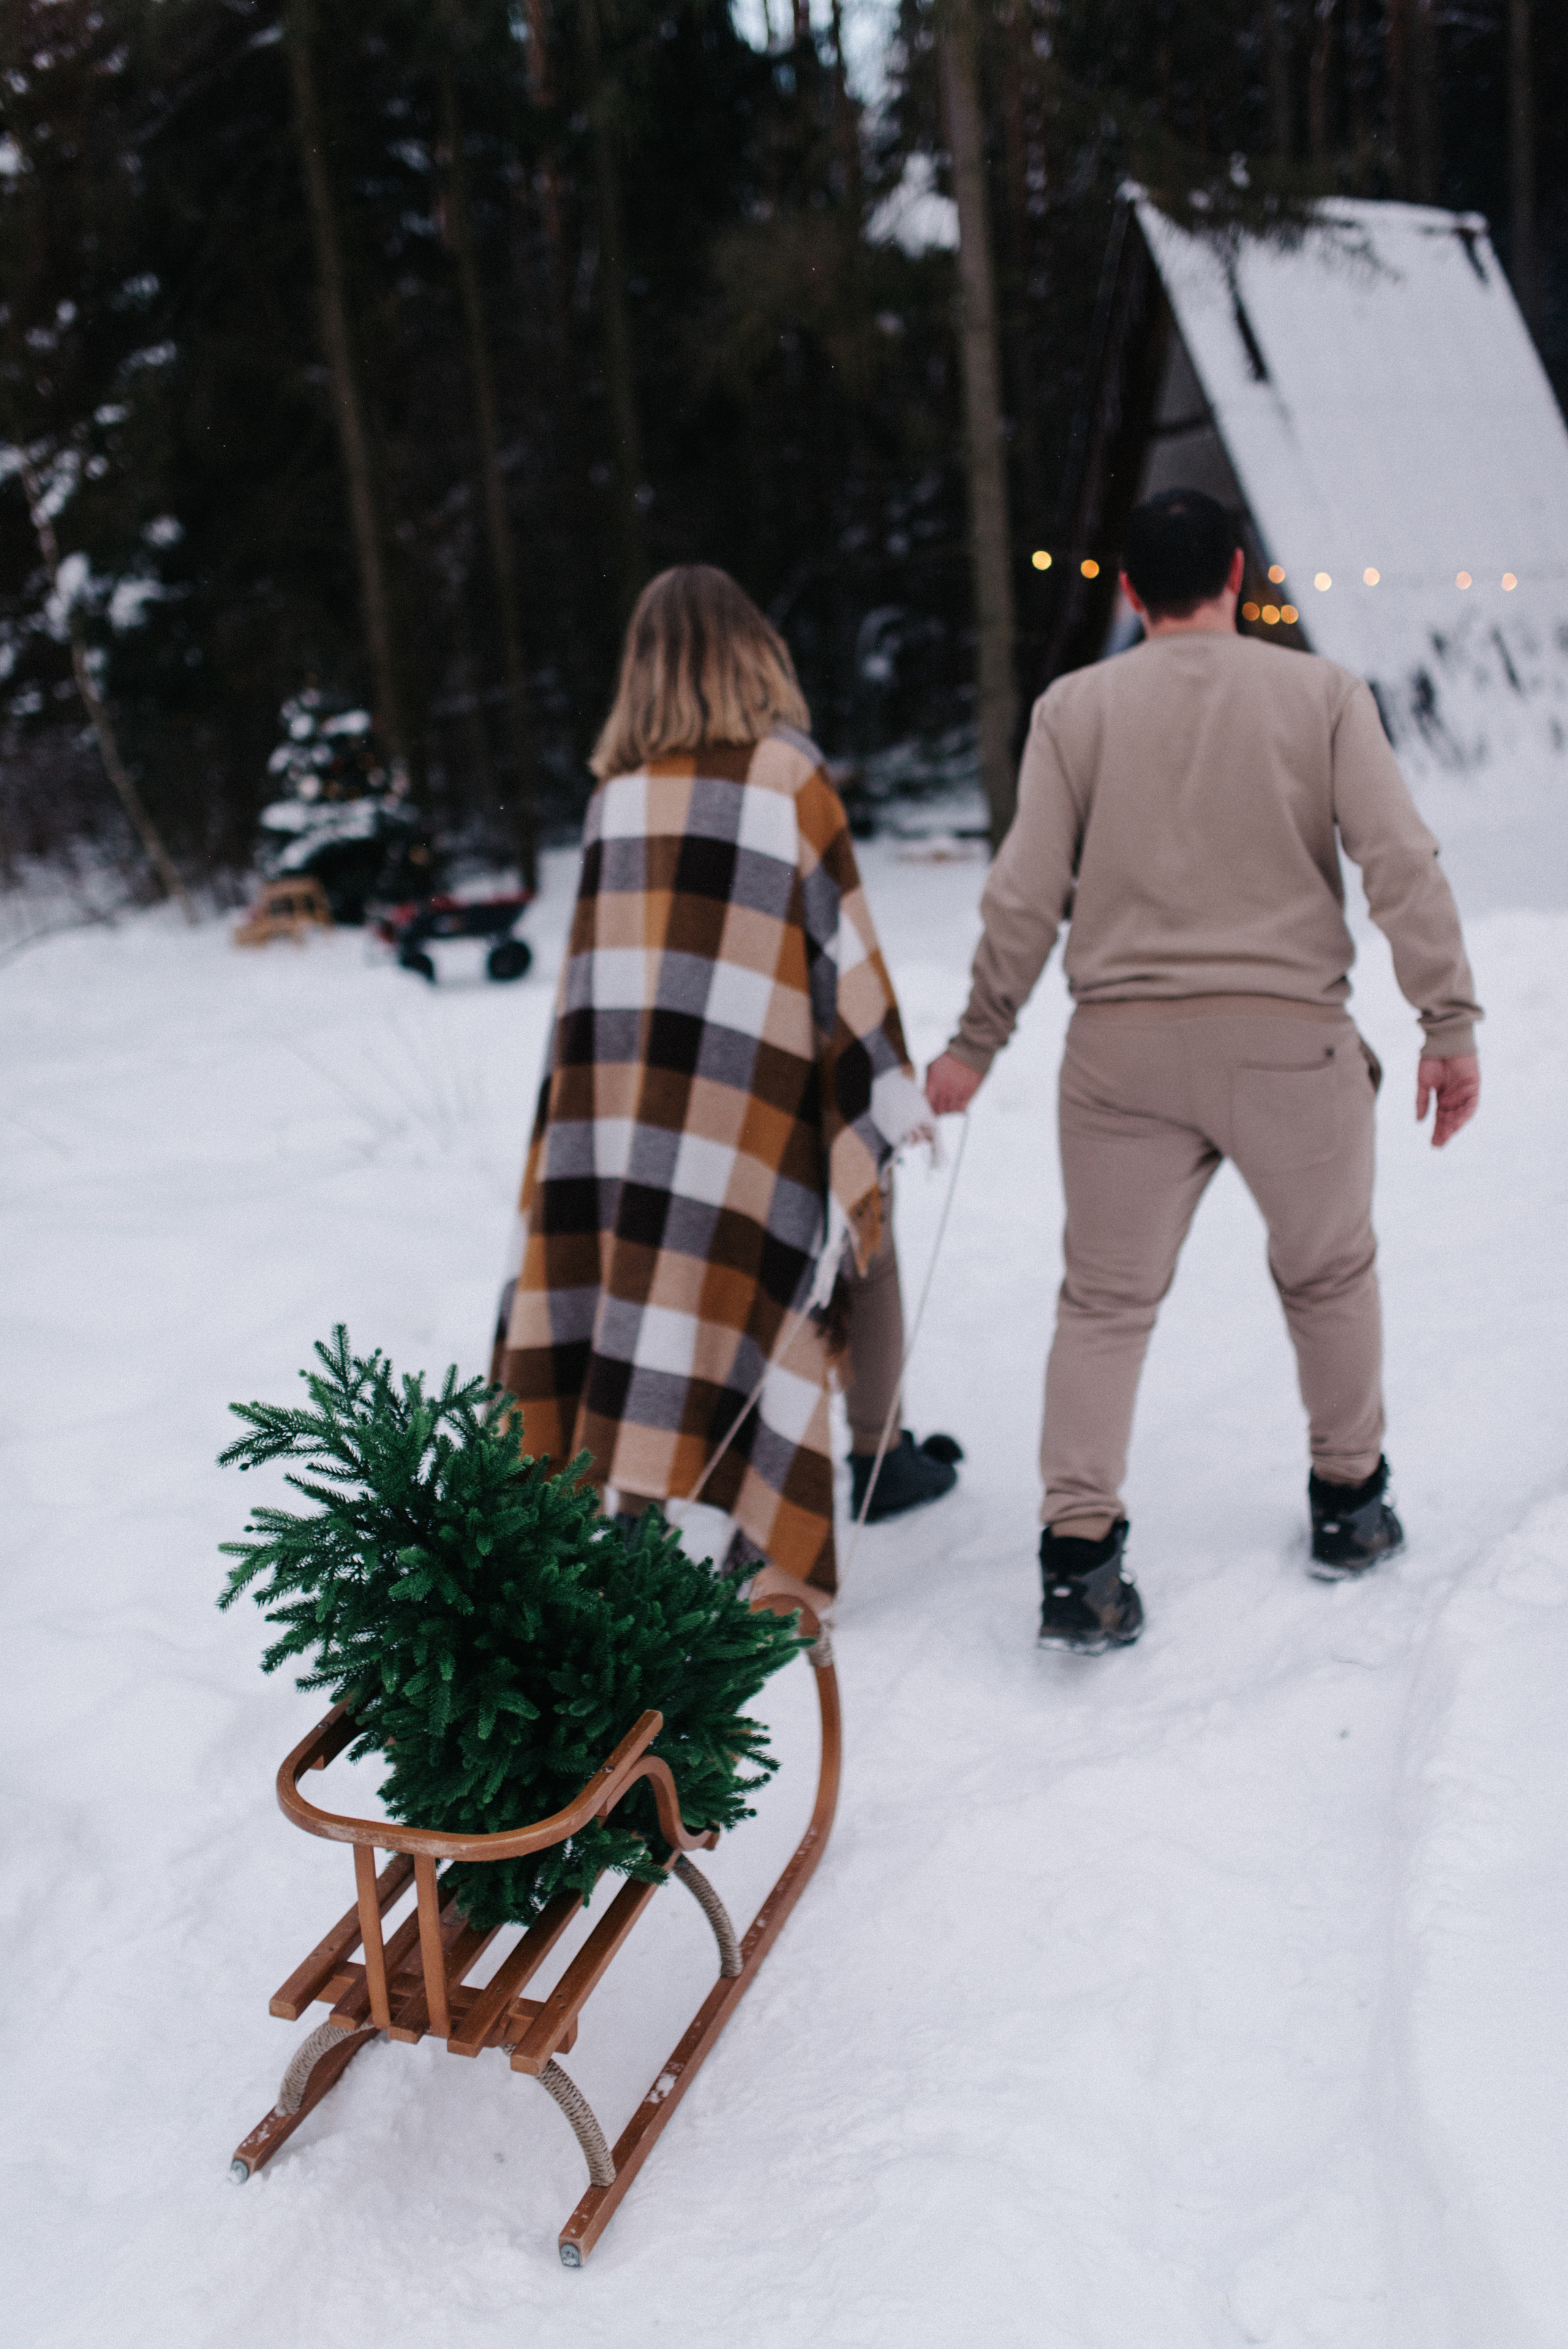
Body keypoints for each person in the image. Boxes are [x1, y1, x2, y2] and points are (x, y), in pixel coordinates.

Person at [925, 488, 1482, 1652]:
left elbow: (1025, 892)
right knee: (1330, 1276)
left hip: (1120, 1054)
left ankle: (1079, 1562)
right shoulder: (1322, 694)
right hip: (1293, 1044)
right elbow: (1399, 859)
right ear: (1237, 574)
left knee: (1104, 1304)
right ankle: (1350, 1507)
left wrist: (978, 1041)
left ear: (1129, 591)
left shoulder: (1074, 709)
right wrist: (1447, 1021)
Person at [492, 564, 956, 1597]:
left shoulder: (616, 797)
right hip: (757, 1102)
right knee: (851, 1228)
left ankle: (639, 1504)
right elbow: (841, 953)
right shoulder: (788, 777)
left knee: (644, 1270)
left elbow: (594, 987)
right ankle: (873, 1456)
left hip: (631, 1105)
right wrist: (876, 1081)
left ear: (641, 669)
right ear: (756, 652)